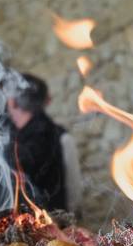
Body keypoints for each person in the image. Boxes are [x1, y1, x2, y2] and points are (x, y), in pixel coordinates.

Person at [6, 73, 82, 214]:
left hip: (30, 227)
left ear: (12, 102)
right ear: (46, 100)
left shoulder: (4, 142)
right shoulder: (63, 137)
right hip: (57, 225)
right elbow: (74, 191)